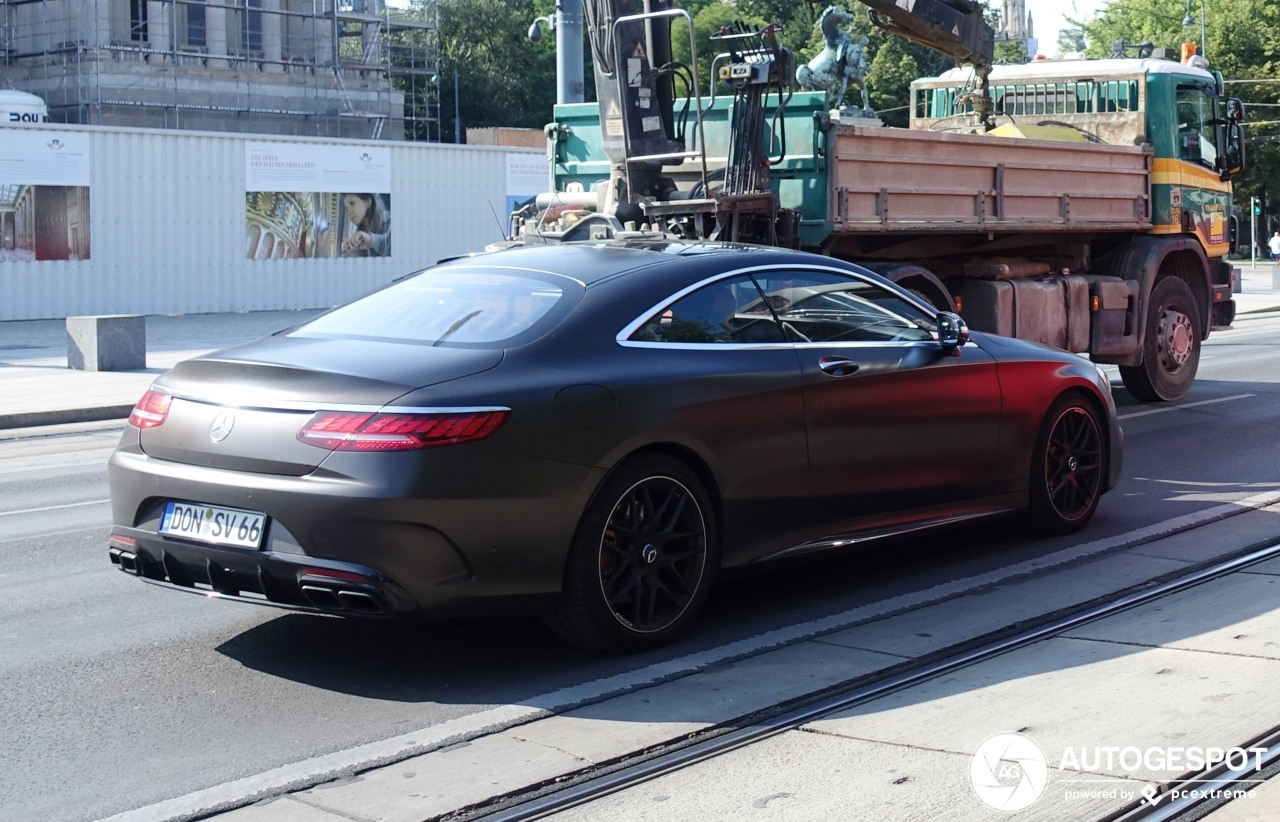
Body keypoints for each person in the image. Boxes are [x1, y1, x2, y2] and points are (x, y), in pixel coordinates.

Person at [340, 193, 391, 257]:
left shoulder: (390, 222)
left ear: (367, 201)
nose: (349, 212)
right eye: (347, 208)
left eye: (352, 204)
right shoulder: (359, 238)